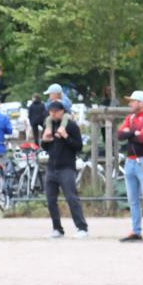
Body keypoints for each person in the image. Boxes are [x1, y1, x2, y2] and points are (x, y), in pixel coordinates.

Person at [116, 91, 143, 243]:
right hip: (130, 161)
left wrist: (130, 131)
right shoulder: (131, 117)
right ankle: (136, 231)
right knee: (132, 200)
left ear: (141, 103)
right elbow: (119, 134)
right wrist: (134, 132)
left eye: (133, 101)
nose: (130, 104)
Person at [42, 100, 87, 238]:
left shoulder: (72, 126)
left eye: (55, 112)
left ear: (62, 111)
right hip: (51, 167)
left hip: (66, 167)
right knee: (50, 200)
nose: (52, 114)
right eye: (50, 112)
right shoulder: (50, 125)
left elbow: (79, 147)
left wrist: (66, 137)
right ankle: (57, 228)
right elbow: (45, 146)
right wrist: (44, 140)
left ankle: (82, 228)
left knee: (71, 198)